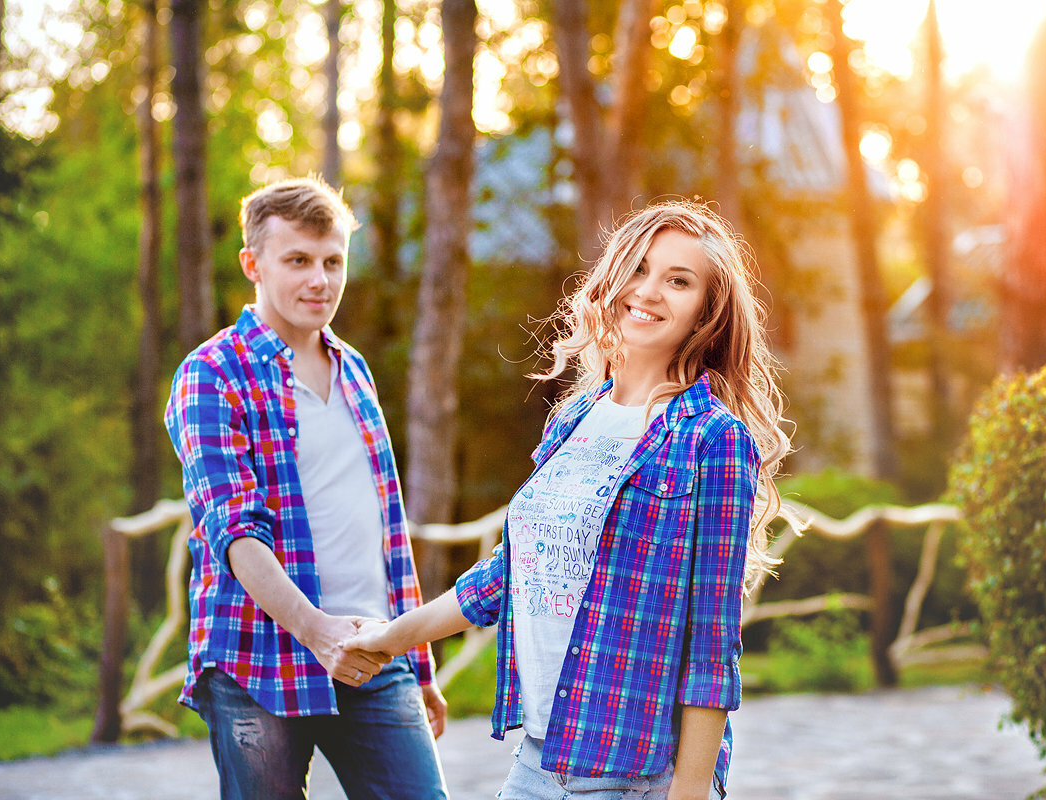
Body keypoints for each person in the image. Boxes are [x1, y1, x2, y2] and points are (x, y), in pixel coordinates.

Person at [344, 200, 792, 799]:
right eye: (638, 268)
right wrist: (389, 637)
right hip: (541, 758)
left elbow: (711, 649)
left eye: (678, 281)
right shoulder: (576, 419)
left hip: (636, 776)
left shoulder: (712, 440)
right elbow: (507, 575)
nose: (649, 291)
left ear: (705, 315)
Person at [164, 176, 449, 800]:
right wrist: (316, 631)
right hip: (257, 658)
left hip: (372, 651)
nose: (320, 280)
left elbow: (384, 531)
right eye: (298, 261)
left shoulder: (354, 368)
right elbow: (235, 534)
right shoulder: (211, 375)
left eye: (332, 261)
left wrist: (417, 665)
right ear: (253, 265)